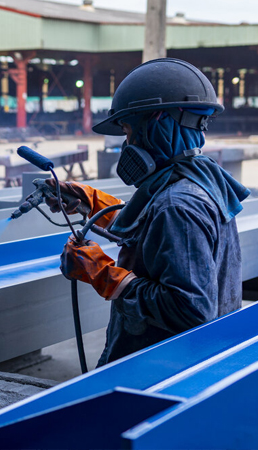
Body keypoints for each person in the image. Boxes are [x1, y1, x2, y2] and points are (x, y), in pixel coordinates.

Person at [46, 58, 250, 366]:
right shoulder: (199, 177)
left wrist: (106, 275)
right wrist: (91, 202)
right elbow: (158, 239)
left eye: (128, 129)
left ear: (157, 123)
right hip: (197, 360)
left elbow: (189, 310)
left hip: (161, 368)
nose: (127, 143)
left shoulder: (177, 205)